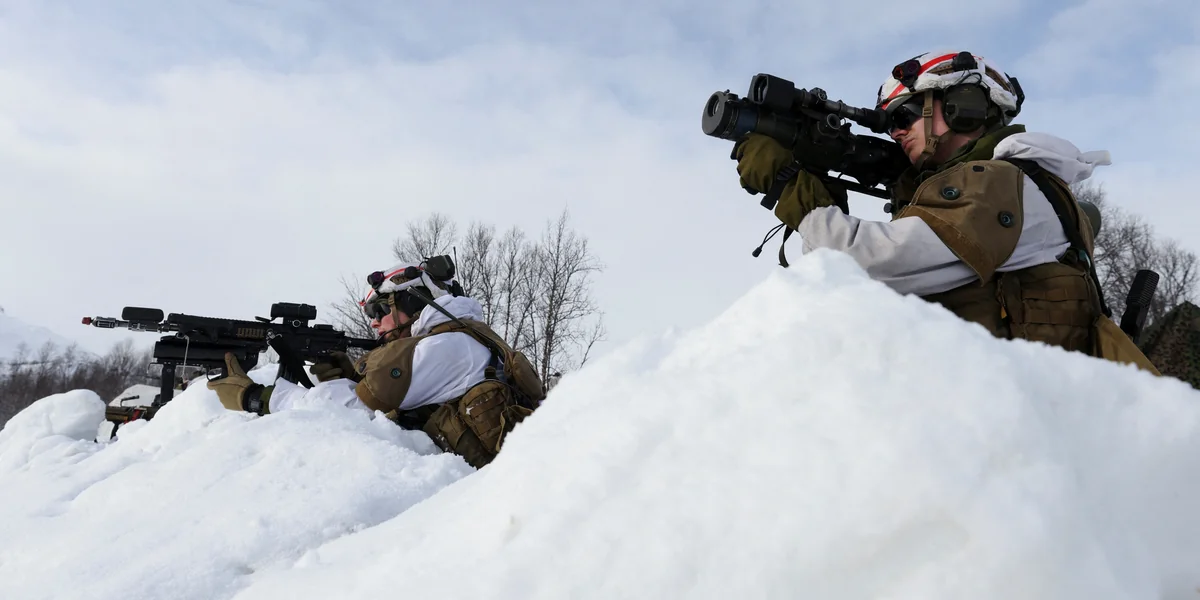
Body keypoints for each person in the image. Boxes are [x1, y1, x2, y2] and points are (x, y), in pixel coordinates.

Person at [733, 50, 1158, 373]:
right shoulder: (1028, 182)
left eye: (905, 115)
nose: (896, 131)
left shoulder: (999, 182)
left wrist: (789, 185)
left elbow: (861, 266)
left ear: (961, 105)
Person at [207, 256, 546, 467]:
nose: (374, 322)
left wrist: (257, 398)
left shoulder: (443, 347)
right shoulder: (468, 337)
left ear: (414, 302)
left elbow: (348, 414)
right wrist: (356, 378)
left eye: (380, 309)